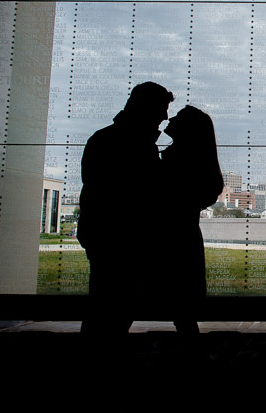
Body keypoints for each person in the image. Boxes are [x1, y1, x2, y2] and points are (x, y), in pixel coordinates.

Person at [77, 81, 174, 335]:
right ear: (146, 108)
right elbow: (142, 197)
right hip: (121, 244)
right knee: (112, 314)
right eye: (162, 109)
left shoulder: (106, 140)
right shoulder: (135, 145)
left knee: (106, 312)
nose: (165, 116)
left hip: (108, 242)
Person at [157, 105, 224, 333]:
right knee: (183, 310)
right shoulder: (193, 161)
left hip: (170, 238)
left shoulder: (177, 159)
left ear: (188, 128)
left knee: (180, 308)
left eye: (178, 117)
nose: (170, 118)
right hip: (183, 237)